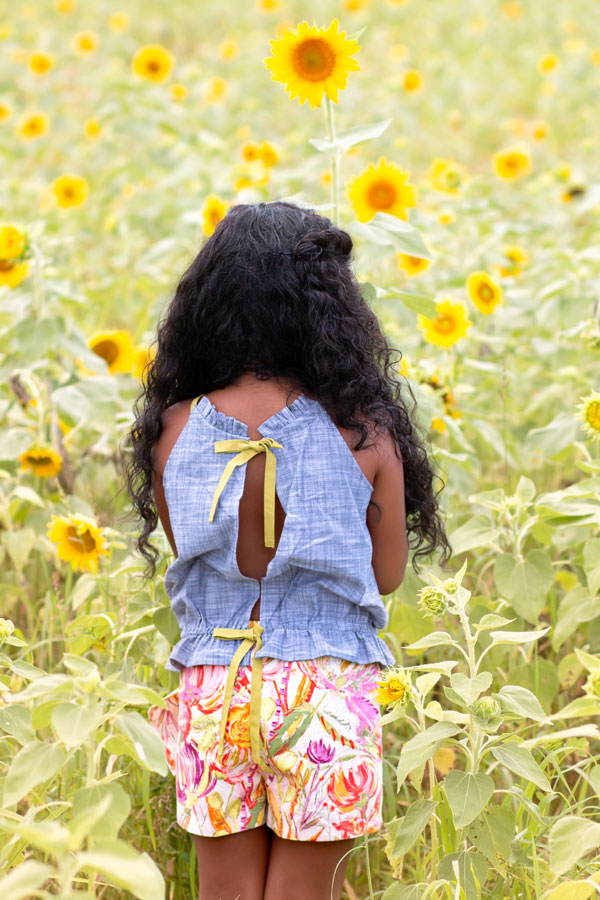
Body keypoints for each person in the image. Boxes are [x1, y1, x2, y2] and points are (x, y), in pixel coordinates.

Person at [125, 200, 451, 900]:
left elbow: (191, 557)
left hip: (214, 686)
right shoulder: (362, 431)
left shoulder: (175, 427)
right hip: (325, 691)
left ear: (208, 304)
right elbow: (387, 576)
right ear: (327, 307)